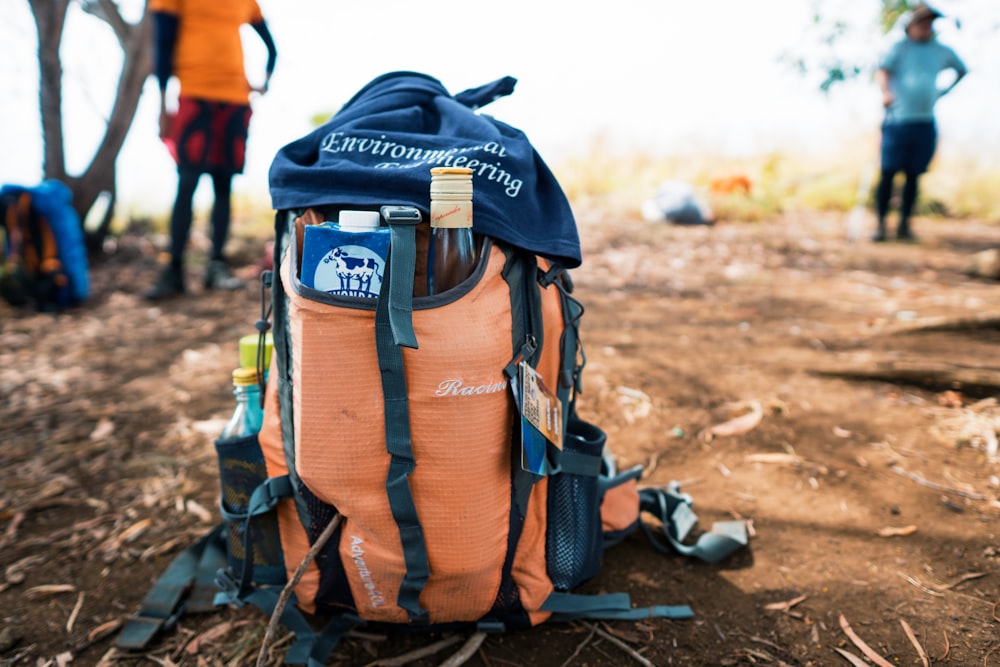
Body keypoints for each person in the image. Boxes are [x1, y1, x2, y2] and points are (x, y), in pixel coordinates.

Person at [145, 0, 277, 300]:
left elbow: (270, 43)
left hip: (235, 98)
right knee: (187, 181)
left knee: (223, 185)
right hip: (195, 93)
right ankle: (173, 270)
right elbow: (163, 43)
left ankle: (217, 266)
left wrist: (265, 80)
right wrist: (162, 103)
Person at [872, 3, 966, 243]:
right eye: (921, 22)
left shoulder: (940, 50)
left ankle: (904, 225)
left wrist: (943, 92)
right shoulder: (899, 49)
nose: (925, 27)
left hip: (924, 122)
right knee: (888, 172)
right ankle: (881, 225)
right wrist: (886, 93)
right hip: (897, 120)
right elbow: (882, 70)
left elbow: (962, 70)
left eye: (929, 23)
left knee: (914, 175)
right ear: (910, 26)